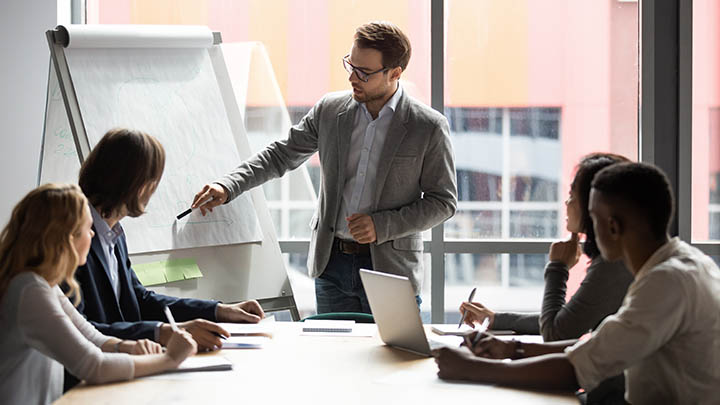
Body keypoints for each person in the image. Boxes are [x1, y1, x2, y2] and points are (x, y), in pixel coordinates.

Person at [192, 21, 457, 313]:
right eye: (350, 66)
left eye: (364, 73)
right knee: (331, 354)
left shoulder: (427, 126)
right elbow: (280, 154)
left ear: (395, 73)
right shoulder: (331, 111)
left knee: (392, 356)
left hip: (390, 270)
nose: (353, 78)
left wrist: (381, 226)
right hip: (331, 265)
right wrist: (229, 185)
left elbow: (443, 202)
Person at [433, 162, 720, 404]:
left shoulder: (666, 283)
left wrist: (471, 368)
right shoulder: (685, 263)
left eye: (593, 220)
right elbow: (596, 345)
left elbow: (576, 369)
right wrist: (510, 349)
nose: (588, 233)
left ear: (612, 226)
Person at [0, 184, 197, 405]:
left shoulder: (41, 284)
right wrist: (169, 359)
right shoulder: (30, 290)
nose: (92, 234)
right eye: (88, 228)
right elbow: (94, 366)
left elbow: (92, 337)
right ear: (66, 237)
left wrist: (128, 346)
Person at [73, 128, 265, 353]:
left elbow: (139, 300)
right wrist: (166, 332)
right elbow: (81, 329)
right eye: (153, 180)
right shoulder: (74, 236)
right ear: (136, 183)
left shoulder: (114, 232)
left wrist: (220, 311)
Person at [459, 153, 634, 341]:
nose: (567, 203)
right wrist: (495, 319)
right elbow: (566, 321)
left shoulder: (612, 265)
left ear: (595, 204)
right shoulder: (617, 256)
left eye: (572, 195)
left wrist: (558, 267)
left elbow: (555, 333)